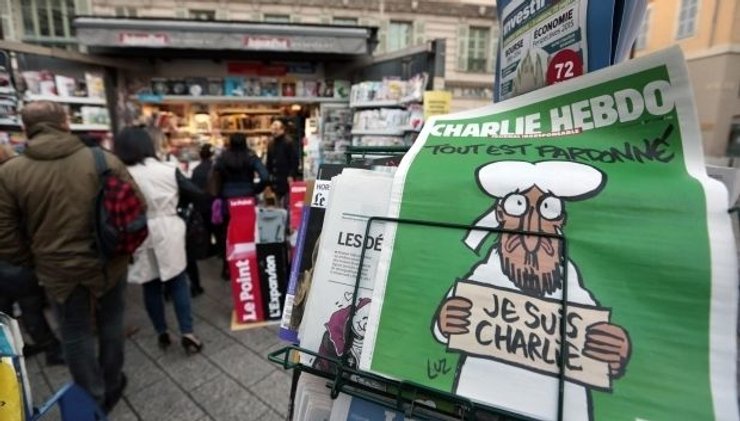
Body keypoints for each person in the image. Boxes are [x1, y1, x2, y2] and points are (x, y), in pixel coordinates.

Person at [434, 161, 631, 421]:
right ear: (501, 214)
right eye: (519, 207)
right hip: (480, 403)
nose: (531, 225)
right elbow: (448, 321)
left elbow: (594, 330)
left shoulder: (569, 279)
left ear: (560, 219)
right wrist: (445, 322)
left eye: (546, 209)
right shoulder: (486, 271)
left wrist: (615, 350)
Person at [0, 101, 133, 411]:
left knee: (75, 332)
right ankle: (112, 380)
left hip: (57, 269)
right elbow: (134, 210)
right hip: (108, 262)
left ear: (26, 128)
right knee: (112, 323)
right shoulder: (103, 159)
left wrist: (32, 259)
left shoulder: (11, 173)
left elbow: (4, 232)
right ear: (65, 123)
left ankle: (92, 395)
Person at [113, 127, 204, 355]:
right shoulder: (168, 170)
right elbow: (196, 193)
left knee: (150, 284)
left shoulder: (121, 175)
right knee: (178, 280)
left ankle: (161, 332)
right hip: (168, 225)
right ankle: (187, 332)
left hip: (138, 229)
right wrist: (179, 207)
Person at [0, 142, 64, 366]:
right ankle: (51, 349)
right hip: (14, 260)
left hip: (7, 260)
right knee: (31, 306)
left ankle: (11, 351)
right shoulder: (10, 181)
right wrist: (25, 258)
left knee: (4, 310)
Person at [209, 133, 270, 279]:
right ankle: (250, 266)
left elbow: (213, 175)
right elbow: (265, 177)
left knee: (227, 234)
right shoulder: (251, 157)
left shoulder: (222, 157)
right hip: (247, 200)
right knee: (249, 233)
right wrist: (255, 189)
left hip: (228, 201)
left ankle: (227, 268)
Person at [266, 119, 299, 205]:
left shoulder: (289, 142)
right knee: (277, 203)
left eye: (276, 129)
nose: (274, 131)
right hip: (275, 179)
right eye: (273, 128)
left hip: (286, 178)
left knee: (287, 203)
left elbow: (294, 160)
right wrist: (268, 176)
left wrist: (291, 175)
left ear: (282, 129)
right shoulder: (271, 143)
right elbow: (269, 162)